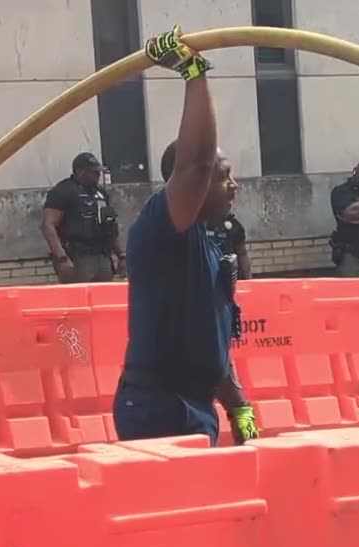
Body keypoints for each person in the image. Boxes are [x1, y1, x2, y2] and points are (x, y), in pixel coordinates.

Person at [111, 25, 260, 447]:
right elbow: (194, 164)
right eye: (224, 176)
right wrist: (192, 71)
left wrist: (239, 409)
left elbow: (210, 340)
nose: (234, 186)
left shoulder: (210, 249)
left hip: (196, 407)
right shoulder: (163, 227)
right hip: (159, 408)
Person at [41, 152, 124, 283]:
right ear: (80, 172)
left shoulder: (100, 194)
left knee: (103, 297)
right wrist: (61, 258)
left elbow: (111, 225)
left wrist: (121, 255)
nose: (98, 175)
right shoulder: (63, 191)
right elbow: (48, 225)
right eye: (94, 172)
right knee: (78, 298)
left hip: (102, 255)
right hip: (78, 257)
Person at [209, 211, 252, 279]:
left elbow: (242, 254)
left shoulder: (235, 226)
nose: (230, 203)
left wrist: (248, 280)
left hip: (228, 277)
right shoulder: (199, 223)